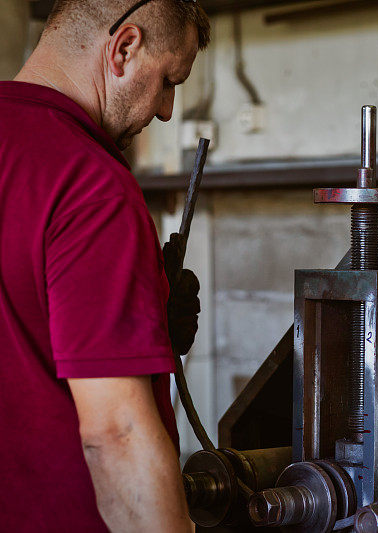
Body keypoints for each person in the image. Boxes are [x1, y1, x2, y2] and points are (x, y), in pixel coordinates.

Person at [0, 0, 210, 531]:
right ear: (123, 49)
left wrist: (139, 323)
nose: (165, 110)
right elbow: (117, 434)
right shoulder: (89, 184)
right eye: (168, 82)